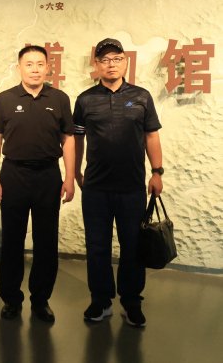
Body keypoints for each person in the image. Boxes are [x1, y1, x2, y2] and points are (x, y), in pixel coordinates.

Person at [74, 38, 163, 328]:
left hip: (132, 187)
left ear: (125, 62)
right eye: (104, 60)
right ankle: (100, 300)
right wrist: (75, 172)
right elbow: (77, 139)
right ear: (96, 65)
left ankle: (131, 301)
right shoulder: (85, 100)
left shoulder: (141, 97)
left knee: (133, 246)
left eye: (116, 59)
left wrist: (157, 172)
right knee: (96, 246)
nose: (110, 64)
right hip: (96, 188)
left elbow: (151, 135)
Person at [0, 45, 75, 323]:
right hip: (14, 174)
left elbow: (68, 139)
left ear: (48, 67)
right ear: (19, 68)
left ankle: (41, 300)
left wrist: (69, 177)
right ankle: (11, 299)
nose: (35, 69)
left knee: (46, 241)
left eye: (40, 64)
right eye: (29, 64)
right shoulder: (5, 99)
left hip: (48, 176)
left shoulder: (59, 99)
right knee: (12, 241)